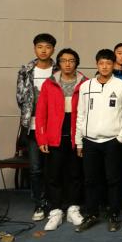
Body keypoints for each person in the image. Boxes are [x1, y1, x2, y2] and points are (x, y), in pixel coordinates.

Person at [75, 49, 122, 232]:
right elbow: (81, 114)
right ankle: (91, 214)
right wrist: (79, 141)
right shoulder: (86, 86)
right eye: (101, 63)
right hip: (90, 140)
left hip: (112, 141)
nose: (105, 66)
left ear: (114, 65)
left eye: (108, 63)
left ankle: (114, 215)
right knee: (90, 180)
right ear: (96, 64)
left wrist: (121, 138)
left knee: (113, 180)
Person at [35, 48, 87, 230]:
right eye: (64, 60)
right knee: (53, 175)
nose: (67, 64)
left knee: (75, 173)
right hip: (54, 136)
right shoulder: (49, 83)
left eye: (71, 60)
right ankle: (56, 210)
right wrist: (42, 138)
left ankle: (73, 208)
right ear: (58, 63)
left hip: (76, 135)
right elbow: (41, 113)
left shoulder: (85, 83)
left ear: (76, 63)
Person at [17, 33, 56, 221]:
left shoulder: (58, 70)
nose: (43, 50)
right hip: (32, 126)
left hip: (54, 126)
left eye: (47, 47)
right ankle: (39, 203)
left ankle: (54, 203)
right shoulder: (26, 70)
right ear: (34, 48)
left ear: (53, 49)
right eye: (40, 47)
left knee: (53, 168)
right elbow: (20, 98)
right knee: (35, 168)